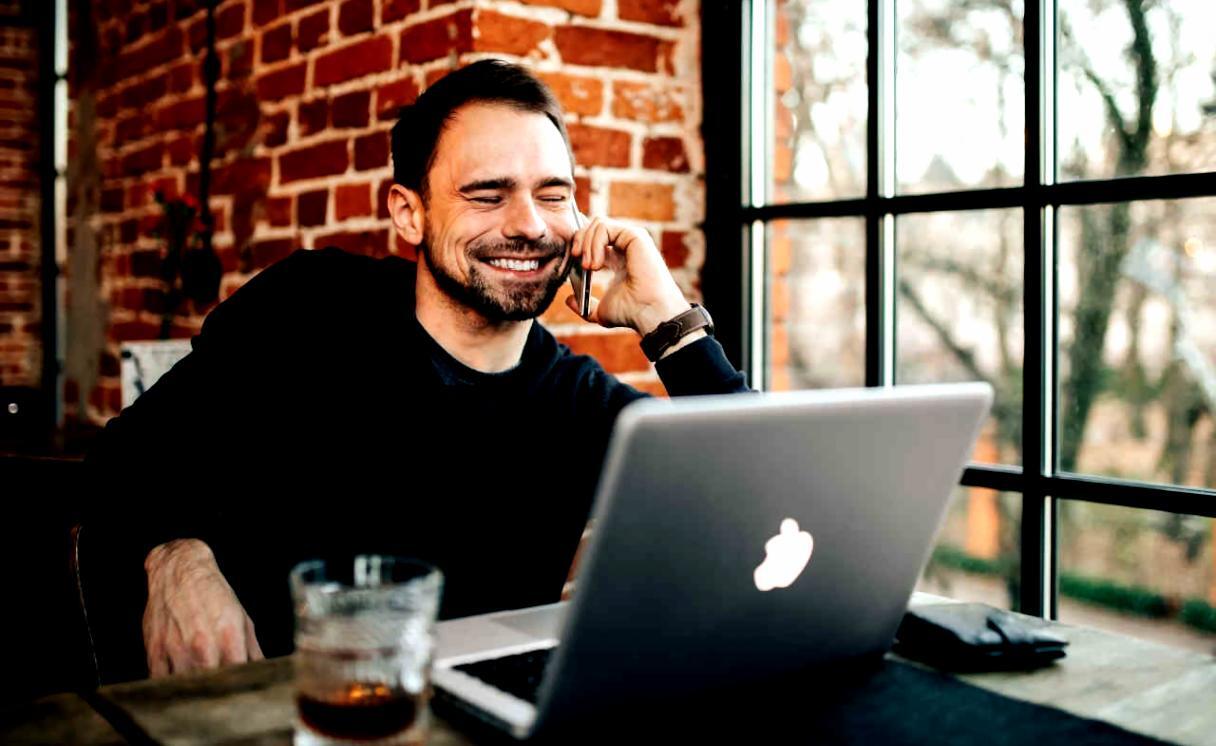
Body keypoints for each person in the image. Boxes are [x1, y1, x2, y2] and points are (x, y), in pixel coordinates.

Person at [79, 59, 749, 684]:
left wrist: (670, 324)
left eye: (553, 195)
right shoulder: (308, 306)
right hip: (262, 711)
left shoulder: (589, 409)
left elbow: (766, 521)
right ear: (409, 212)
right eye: (488, 194)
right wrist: (175, 556)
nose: (529, 225)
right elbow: (123, 457)